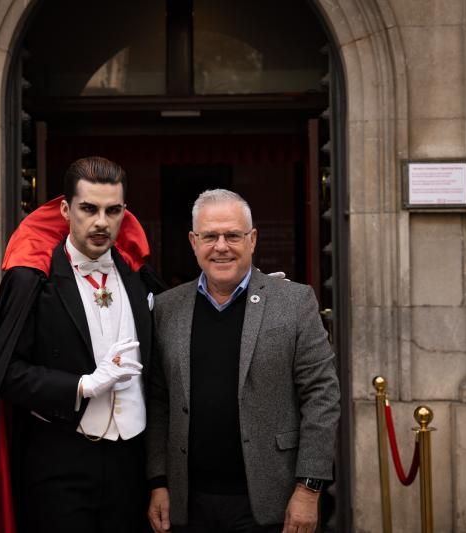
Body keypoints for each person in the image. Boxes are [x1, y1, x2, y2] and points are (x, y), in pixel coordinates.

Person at [0, 156, 164, 533]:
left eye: (112, 210)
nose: (101, 222)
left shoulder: (140, 277)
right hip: (59, 464)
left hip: (131, 468)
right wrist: (81, 386)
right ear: (66, 210)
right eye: (89, 209)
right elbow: (6, 374)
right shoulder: (32, 281)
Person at [146, 189, 340, 533]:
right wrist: (158, 481)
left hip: (272, 503)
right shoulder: (167, 308)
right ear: (193, 242)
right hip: (188, 504)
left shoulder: (294, 302)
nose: (221, 246)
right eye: (210, 236)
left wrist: (309, 488)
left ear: (252, 240)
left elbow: (321, 396)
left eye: (233, 235)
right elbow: (159, 401)